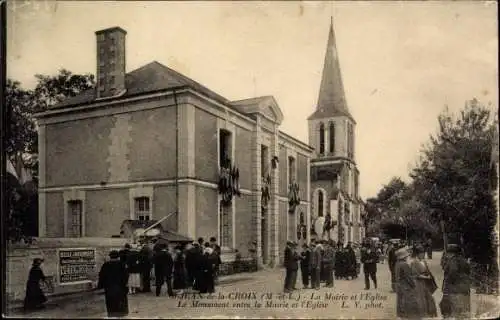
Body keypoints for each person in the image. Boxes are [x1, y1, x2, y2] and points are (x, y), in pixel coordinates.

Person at [440, 244, 471, 319]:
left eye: (447, 252)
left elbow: (453, 272)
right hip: (464, 289)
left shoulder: (453, 260)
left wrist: (449, 284)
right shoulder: (464, 260)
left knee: (451, 311)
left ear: (451, 253)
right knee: (463, 312)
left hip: (454, 290)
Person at [98, 251, 129, 318]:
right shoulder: (122, 264)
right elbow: (126, 276)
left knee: (111, 304)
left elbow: (101, 276)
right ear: (118, 256)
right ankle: (121, 316)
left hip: (110, 289)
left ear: (110, 256)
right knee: (121, 304)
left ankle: (112, 315)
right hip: (120, 288)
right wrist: (125, 285)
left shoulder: (106, 265)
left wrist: (100, 286)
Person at [411, 245, 437, 317]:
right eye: (422, 253)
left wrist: (430, 276)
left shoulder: (423, 261)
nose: (423, 255)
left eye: (424, 253)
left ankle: (429, 314)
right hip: (418, 283)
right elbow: (415, 275)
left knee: (430, 299)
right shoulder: (414, 262)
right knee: (421, 299)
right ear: (417, 254)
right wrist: (426, 277)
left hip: (425, 283)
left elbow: (427, 271)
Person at [395, 247, 420, 318]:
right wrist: (413, 284)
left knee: (400, 299)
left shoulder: (397, 263)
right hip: (405, 285)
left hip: (399, 284)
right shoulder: (404, 264)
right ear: (404, 257)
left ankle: (400, 315)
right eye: (407, 256)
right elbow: (408, 277)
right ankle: (407, 315)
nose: (408, 257)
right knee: (408, 300)